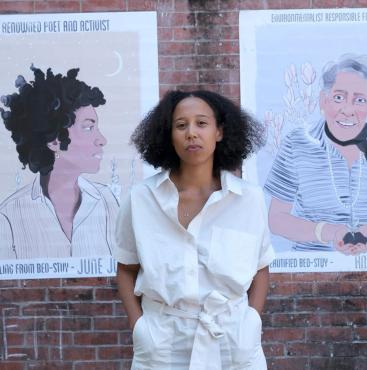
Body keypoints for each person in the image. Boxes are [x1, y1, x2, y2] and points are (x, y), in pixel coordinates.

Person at [114, 90, 275, 369]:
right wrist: (138, 327)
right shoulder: (141, 199)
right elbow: (126, 268)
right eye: (181, 125)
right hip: (162, 346)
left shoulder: (249, 199)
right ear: (169, 135)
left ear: (220, 132)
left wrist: (252, 322)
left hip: (233, 342)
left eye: (201, 123)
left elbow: (260, 267)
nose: (191, 133)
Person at [0, 66, 118, 259]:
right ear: (54, 141)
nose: (102, 139)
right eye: (88, 128)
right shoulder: (9, 217)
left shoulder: (108, 202)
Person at [265, 55, 367, 255]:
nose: (347, 110)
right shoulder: (297, 143)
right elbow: (277, 218)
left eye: (360, 100)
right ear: (324, 100)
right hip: (311, 265)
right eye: (339, 97)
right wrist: (328, 232)